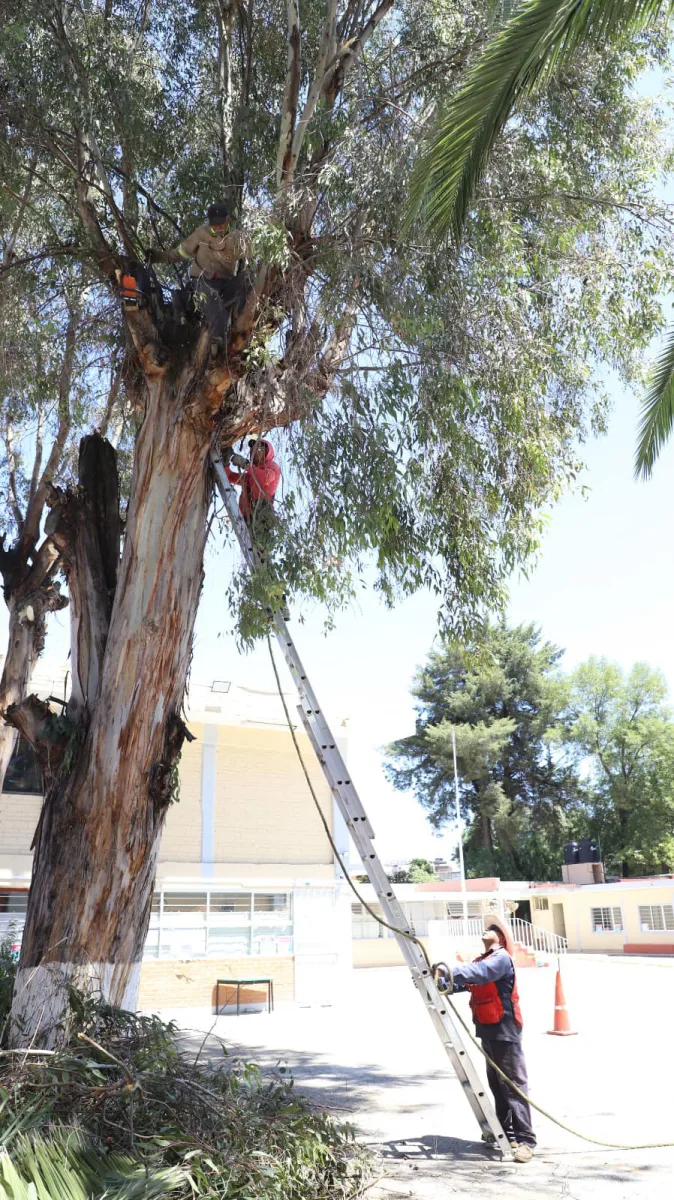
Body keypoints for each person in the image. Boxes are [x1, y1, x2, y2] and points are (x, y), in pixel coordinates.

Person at [436, 925, 536, 1163]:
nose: (486, 928)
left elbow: (479, 973)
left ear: (500, 937)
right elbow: (468, 983)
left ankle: (526, 1141)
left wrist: (447, 972)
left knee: (512, 1085)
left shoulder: (500, 959)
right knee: (497, 1085)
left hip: (504, 1027)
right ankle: (506, 1134)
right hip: (488, 1027)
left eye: (492, 928)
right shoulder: (484, 959)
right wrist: (439, 983)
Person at [151, 202, 251, 350]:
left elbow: (253, 252)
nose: (218, 228)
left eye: (221, 224)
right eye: (214, 225)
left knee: (248, 278)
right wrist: (159, 257)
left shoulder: (237, 238)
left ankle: (243, 325)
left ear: (228, 220)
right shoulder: (200, 234)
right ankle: (217, 341)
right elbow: (181, 253)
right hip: (201, 283)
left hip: (225, 284)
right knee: (211, 296)